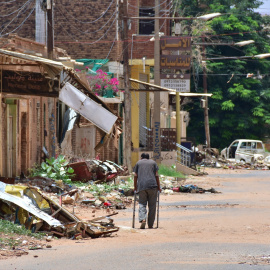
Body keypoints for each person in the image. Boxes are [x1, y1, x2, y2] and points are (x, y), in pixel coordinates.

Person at [133, 153, 161, 229]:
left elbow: (135, 176)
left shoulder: (138, 163)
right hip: (153, 186)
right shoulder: (153, 163)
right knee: (152, 205)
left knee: (142, 203)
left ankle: (142, 219)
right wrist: (159, 187)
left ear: (141, 157)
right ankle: (150, 224)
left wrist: (135, 186)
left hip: (142, 186)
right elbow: (156, 175)